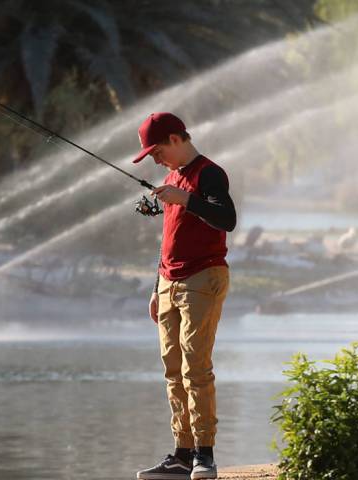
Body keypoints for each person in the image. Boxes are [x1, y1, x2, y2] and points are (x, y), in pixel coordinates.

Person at [133, 112, 236, 480]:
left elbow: (226, 219)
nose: (155, 159)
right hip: (169, 282)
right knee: (173, 370)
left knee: (196, 368)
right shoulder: (171, 177)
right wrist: (156, 286)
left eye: (157, 151)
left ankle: (204, 455)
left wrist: (186, 198)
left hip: (202, 278)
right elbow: (171, 236)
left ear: (176, 139)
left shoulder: (209, 173)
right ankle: (181, 453)